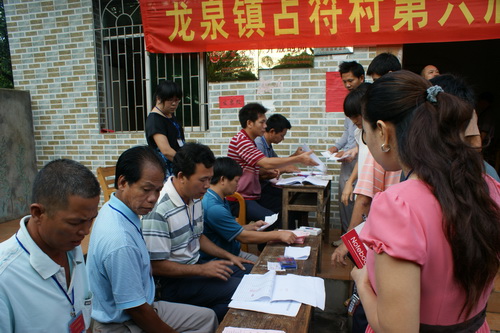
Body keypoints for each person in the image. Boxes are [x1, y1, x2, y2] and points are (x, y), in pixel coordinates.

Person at [351, 70, 500, 332]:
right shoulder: (488, 187)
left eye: (366, 133)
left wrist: (362, 283)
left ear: (383, 132)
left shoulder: (398, 205)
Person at [87, 146, 217, 333]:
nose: (153, 199)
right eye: (146, 189)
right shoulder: (120, 240)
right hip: (123, 322)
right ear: (123, 182)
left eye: (158, 190)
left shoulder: (117, 208)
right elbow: (137, 310)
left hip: (146, 301)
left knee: (207, 318)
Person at [142, 142, 254, 322]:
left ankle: (209, 319)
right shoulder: (159, 209)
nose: (208, 186)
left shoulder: (195, 198)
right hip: (173, 284)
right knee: (242, 289)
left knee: (251, 273)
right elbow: (156, 266)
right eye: (203, 180)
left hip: (196, 268)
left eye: (210, 179)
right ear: (181, 176)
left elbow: (198, 236)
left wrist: (229, 256)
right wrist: (202, 269)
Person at [0, 159, 100, 332]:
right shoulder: (5, 278)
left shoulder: (72, 249)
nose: (85, 231)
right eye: (75, 222)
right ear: (38, 213)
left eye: (91, 219)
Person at [227, 103, 317, 229]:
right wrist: (298, 158)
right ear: (249, 123)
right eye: (262, 122)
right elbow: (265, 162)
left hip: (252, 195)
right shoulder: (242, 141)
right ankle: (269, 248)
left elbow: (259, 168)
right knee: (272, 219)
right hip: (240, 199)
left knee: (287, 208)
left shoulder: (249, 141)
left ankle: (289, 243)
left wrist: (268, 173)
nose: (265, 126)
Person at [201, 157, 297, 263]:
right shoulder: (214, 208)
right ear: (223, 180)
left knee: (276, 265)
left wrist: (251, 227)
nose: (238, 185)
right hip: (222, 259)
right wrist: (278, 235)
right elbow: (243, 238)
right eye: (236, 181)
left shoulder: (219, 198)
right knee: (273, 268)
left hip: (234, 252)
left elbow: (228, 229)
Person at [328, 61, 365, 236]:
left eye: (351, 80)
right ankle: (346, 238)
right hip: (347, 160)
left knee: (359, 201)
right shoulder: (350, 102)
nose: (347, 85)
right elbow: (347, 133)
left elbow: (364, 140)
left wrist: (355, 151)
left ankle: (356, 239)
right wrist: (335, 147)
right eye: (344, 81)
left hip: (362, 161)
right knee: (344, 198)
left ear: (361, 78)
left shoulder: (367, 101)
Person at [255, 113, 302, 222]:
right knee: (288, 205)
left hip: (266, 187)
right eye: (282, 135)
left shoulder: (268, 145)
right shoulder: (258, 143)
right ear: (272, 131)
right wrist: (284, 169)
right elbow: (262, 171)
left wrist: (295, 156)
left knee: (294, 200)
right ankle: (285, 236)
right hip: (258, 191)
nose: (283, 139)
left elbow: (278, 163)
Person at [145, 80, 185, 177]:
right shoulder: (155, 120)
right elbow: (166, 151)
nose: (174, 104)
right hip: (166, 169)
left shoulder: (169, 115)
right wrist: (186, 164)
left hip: (178, 165)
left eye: (177, 100)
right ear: (159, 99)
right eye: (170, 100)